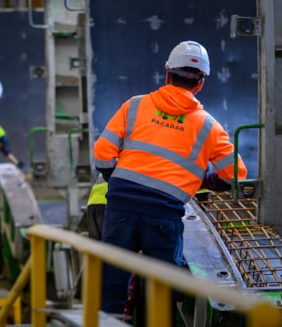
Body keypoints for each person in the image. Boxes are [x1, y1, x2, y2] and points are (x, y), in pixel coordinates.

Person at [92, 40, 248, 317]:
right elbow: (235, 175)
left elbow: (103, 152)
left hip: (120, 208)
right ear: (200, 83)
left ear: (167, 75)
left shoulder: (135, 105)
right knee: (163, 287)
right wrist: (205, 182)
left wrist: (117, 181)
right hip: (164, 215)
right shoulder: (209, 126)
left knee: (113, 279)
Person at [85, 173, 108, 241]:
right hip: (106, 203)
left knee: (95, 244)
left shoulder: (108, 165)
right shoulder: (125, 165)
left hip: (92, 203)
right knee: (110, 246)